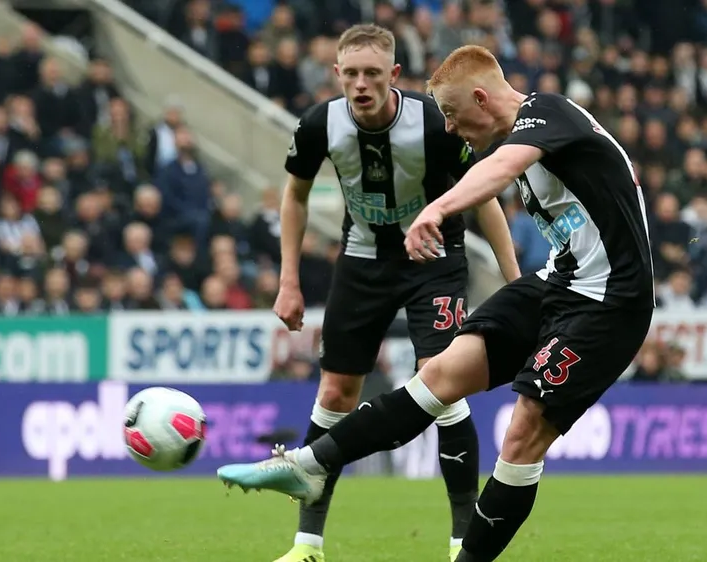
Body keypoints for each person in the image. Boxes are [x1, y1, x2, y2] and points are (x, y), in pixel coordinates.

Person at [218, 45, 654, 561]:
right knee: (441, 375)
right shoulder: (525, 139)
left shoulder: (547, 112)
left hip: (611, 302)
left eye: (450, 113)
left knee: (522, 433)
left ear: (480, 98)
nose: (448, 128)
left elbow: (502, 169)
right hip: (560, 283)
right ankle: (308, 467)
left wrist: (437, 209)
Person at [252, 26, 521, 562]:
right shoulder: (318, 125)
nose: (360, 84)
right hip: (362, 261)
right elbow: (294, 196)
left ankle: (462, 541)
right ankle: (307, 545)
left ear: (393, 75)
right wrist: (288, 280)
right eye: (350, 74)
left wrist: (514, 283)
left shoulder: (432, 122)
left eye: (372, 73)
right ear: (337, 75)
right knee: (334, 395)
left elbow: (486, 197)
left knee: (442, 385)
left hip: (434, 260)